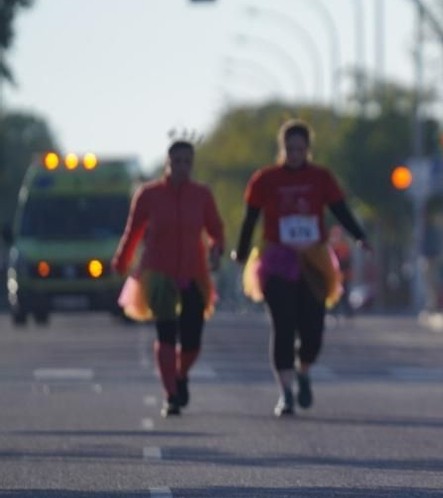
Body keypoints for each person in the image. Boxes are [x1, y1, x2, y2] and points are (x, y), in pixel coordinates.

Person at [233, 120, 370, 417]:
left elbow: (339, 210)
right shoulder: (265, 179)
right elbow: (250, 218)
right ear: (282, 149)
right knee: (283, 326)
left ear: (308, 149)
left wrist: (359, 236)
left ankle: (303, 370)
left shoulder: (321, 177)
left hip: (314, 260)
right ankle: (285, 393)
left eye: (300, 149)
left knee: (313, 330)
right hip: (277, 260)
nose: (294, 154)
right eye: (289, 148)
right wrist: (242, 251)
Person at [112, 138, 226, 418]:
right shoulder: (149, 195)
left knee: (192, 339)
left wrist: (216, 249)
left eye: (188, 162)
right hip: (159, 274)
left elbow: (216, 229)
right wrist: (121, 260)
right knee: (165, 334)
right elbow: (133, 230)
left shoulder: (202, 195)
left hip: (194, 273)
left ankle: (181, 373)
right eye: (177, 161)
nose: (183, 167)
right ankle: (171, 394)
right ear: (168, 162)